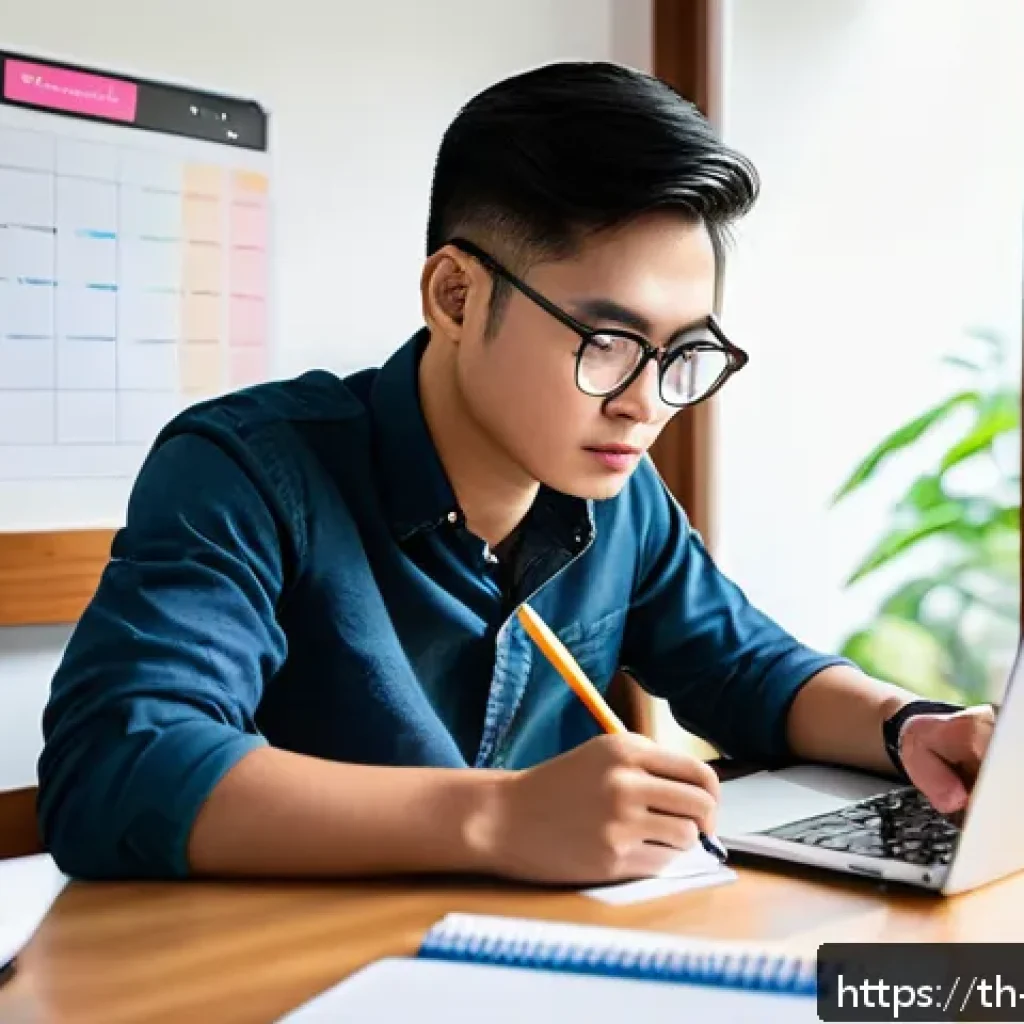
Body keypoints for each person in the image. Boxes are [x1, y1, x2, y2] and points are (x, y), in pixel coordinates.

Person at [38, 62, 994, 882]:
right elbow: (122, 764)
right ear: (456, 295)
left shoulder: (615, 491)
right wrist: (500, 818)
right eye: (610, 340)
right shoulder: (247, 472)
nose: (646, 402)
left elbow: (748, 671)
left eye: (683, 353)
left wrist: (908, 724)